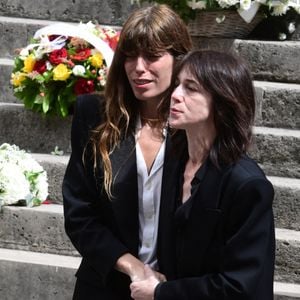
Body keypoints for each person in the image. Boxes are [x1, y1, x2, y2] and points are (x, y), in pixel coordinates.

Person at [62, 4, 192, 299]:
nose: (139, 67)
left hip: (174, 287)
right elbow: (79, 214)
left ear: (179, 60)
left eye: (153, 56)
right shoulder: (94, 116)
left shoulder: (195, 124)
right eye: (130, 56)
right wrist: (132, 266)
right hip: (107, 285)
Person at [130, 50, 275, 300]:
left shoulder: (247, 185)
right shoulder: (175, 163)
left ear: (222, 101)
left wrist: (161, 292)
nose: (174, 96)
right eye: (177, 85)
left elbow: (240, 286)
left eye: (191, 88)